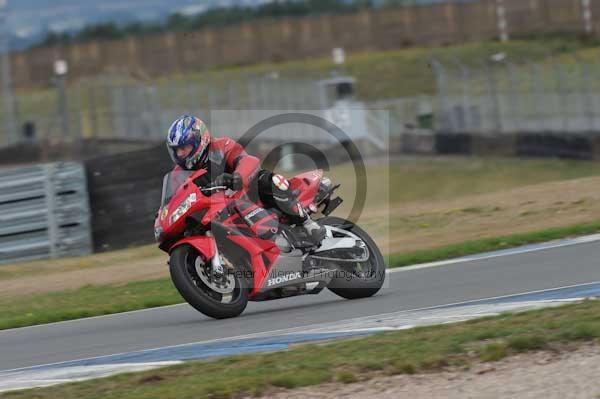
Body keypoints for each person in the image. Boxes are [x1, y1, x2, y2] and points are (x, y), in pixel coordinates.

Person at [166, 115, 326, 246]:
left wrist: (236, 177)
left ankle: (307, 223)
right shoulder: (178, 174)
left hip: (246, 194)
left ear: (199, 141)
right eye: (176, 150)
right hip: (217, 210)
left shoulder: (221, 146)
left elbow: (246, 160)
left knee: (267, 180)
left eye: (184, 148)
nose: (180, 154)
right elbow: (177, 198)